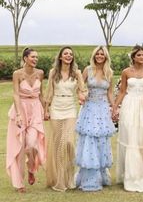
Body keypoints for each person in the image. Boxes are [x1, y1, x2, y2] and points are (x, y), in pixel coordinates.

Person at [113, 45, 143, 192]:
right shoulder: (126, 72)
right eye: (139, 55)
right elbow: (123, 91)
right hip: (129, 105)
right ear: (133, 57)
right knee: (131, 138)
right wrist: (115, 107)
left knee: (142, 138)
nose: (142, 57)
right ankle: (131, 176)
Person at [45, 46, 86, 192]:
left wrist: (83, 96)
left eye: (70, 54)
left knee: (68, 142)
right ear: (61, 57)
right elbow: (49, 91)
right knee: (58, 145)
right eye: (65, 54)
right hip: (56, 108)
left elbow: (82, 90)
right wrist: (46, 109)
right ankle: (59, 180)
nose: (68, 56)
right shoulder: (53, 73)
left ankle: (69, 179)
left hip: (70, 109)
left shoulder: (77, 73)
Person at [75, 46, 115, 191]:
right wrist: (81, 95)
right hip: (89, 108)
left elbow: (110, 93)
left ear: (106, 57)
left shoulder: (109, 72)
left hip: (103, 109)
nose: (99, 56)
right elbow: (80, 86)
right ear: (94, 56)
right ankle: (88, 178)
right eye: (97, 54)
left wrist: (114, 107)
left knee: (101, 141)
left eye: (102, 54)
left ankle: (101, 175)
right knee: (89, 140)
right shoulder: (88, 70)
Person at [6, 47, 46, 192]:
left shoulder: (40, 73)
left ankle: (31, 168)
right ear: (25, 58)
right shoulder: (17, 74)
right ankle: (19, 183)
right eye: (33, 57)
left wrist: (46, 109)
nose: (35, 59)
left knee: (32, 144)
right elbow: (16, 94)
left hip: (35, 110)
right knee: (19, 147)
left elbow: (41, 94)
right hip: (20, 109)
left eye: (37, 57)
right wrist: (18, 114)